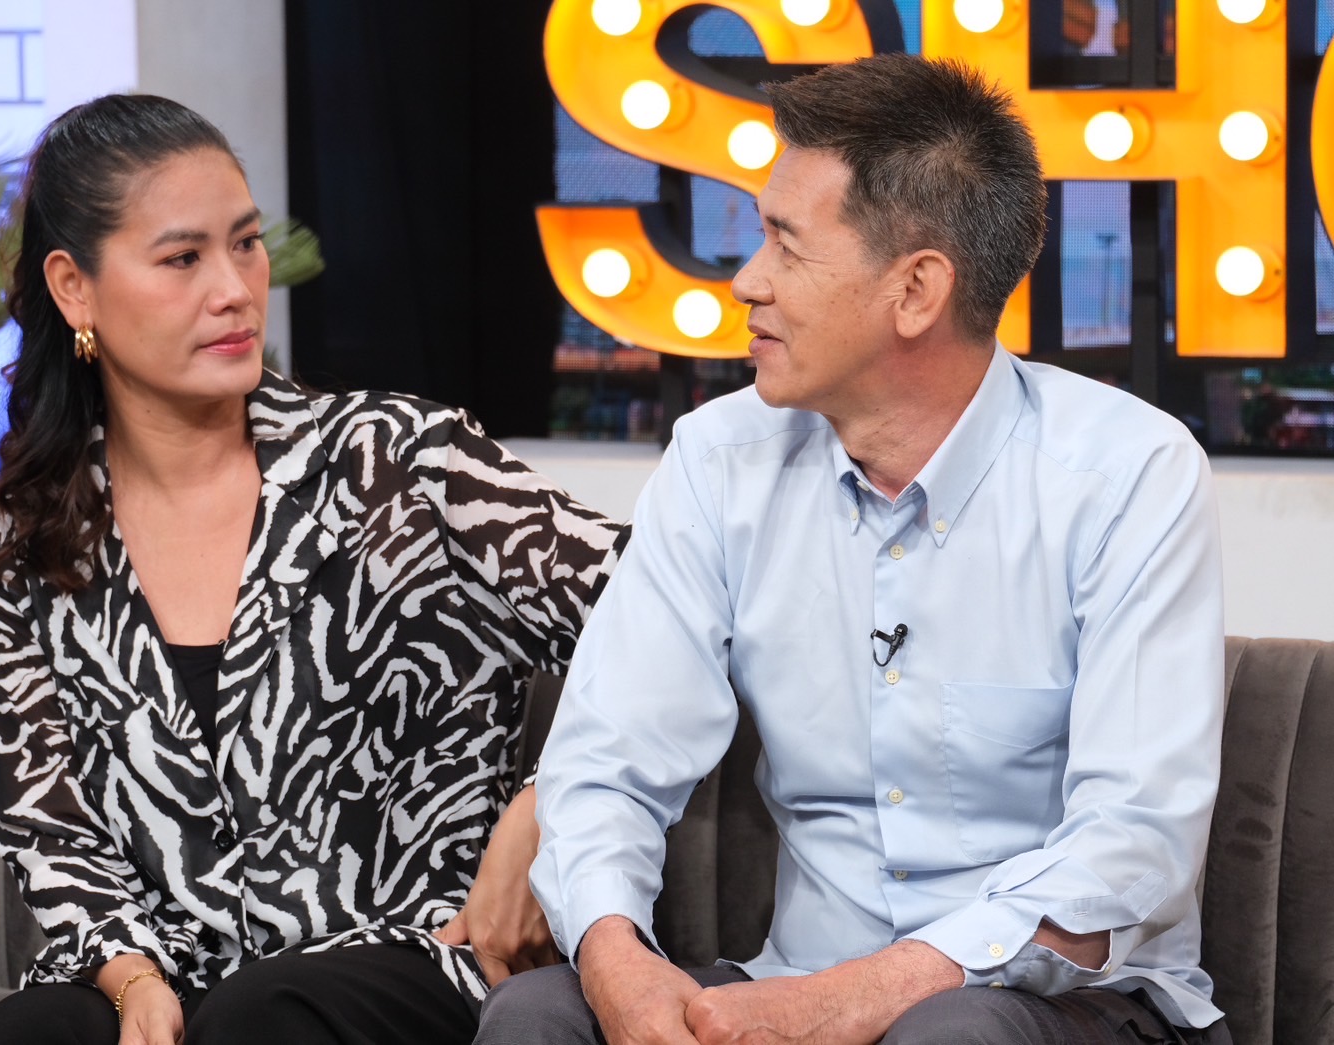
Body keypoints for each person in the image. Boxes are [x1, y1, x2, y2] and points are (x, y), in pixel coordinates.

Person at [474, 54, 1229, 1045]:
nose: (745, 282)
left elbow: (1132, 846)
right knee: (539, 1013)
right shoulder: (719, 458)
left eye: (785, 246)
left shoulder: (1125, 471)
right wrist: (620, 964)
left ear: (915, 290)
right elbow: (607, 762)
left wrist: (856, 1000)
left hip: (1069, 1003)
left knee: (950, 1036)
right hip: (796, 977)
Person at [0, 93, 624, 1045]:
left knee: (262, 1016)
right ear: (74, 289)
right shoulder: (12, 546)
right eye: (183, 259)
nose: (233, 289)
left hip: (406, 954)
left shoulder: (403, 464)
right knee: (34, 1032)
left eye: (245, 244)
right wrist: (133, 977)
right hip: (161, 965)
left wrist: (545, 802)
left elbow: (667, 620)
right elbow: (46, 825)